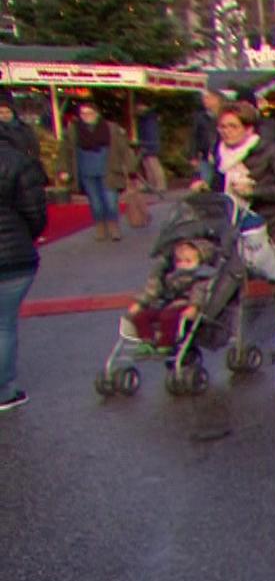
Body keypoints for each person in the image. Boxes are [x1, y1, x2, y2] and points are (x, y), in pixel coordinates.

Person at [195, 104, 275, 327]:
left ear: (248, 129)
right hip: (243, 226)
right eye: (222, 127)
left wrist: (255, 191)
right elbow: (221, 188)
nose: (226, 132)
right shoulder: (220, 153)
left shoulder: (270, 151)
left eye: (233, 126)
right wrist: (205, 189)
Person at [0, 132, 47, 411]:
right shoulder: (18, 161)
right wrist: (27, 235)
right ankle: (4, 391)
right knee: (4, 325)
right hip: (13, 256)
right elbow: (36, 211)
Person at [57, 101, 136, 241]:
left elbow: (124, 149)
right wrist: (63, 170)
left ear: (97, 114)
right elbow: (65, 151)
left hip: (109, 170)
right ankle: (100, 226)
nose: (86, 116)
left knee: (111, 202)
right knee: (96, 203)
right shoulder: (73, 129)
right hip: (86, 171)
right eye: (83, 114)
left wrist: (131, 168)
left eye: (89, 113)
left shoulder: (111, 128)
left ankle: (113, 226)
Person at [125, 239, 215, 348]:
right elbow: (156, 288)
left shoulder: (200, 278)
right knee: (141, 316)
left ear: (200, 262)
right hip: (166, 304)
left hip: (184, 305)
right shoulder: (170, 276)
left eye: (188, 261)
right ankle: (147, 340)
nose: (183, 265)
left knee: (167, 317)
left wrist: (194, 307)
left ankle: (165, 344)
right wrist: (141, 303)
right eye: (179, 261)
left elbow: (198, 293)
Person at [134, 100, 167, 192]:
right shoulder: (144, 118)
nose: (137, 109)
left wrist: (147, 144)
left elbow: (150, 133)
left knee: (153, 165)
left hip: (149, 144)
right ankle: (153, 185)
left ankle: (160, 185)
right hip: (146, 144)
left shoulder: (148, 118)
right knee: (148, 166)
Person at [191, 90, 222, 187]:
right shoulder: (201, 117)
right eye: (204, 98)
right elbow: (195, 137)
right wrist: (193, 155)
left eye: (208, 98)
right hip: (205, 156)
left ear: (217, 99)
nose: (205, 101)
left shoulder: (225, 116)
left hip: (222, 155)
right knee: (206, 183)